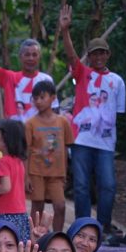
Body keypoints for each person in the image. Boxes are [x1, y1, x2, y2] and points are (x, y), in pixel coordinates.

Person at [59, 5, 126, 233]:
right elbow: (70, 54)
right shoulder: (82, 74)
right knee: (80, 187)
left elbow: (116, 114)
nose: (98, 56)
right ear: (89, 56)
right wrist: (65, 30)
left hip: (106, 143)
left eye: (102, 52)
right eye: (94, 53)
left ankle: (104, 226)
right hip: (81, 141)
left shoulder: (117, 81)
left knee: (107, 186)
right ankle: (82, 227)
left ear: (108, 54)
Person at [25, 80, 74, 232]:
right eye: (35, 98)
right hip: (36, 172)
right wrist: (26, 176)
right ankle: (34, 239)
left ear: (53, 98)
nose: (38, 101)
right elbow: (26, 151)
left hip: (56, 174)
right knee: (37, 206)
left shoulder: (63, 122)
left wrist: (65, 173)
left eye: (42, 97)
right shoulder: (30, 123)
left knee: (60, 206)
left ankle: (57, 237)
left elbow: (65, 149)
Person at [0, 27, 58, 121]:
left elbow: (54, 109)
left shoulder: (46, 80)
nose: (31, 58)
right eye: (27, 55)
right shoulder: (10, 77)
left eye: (34, 55)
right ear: (20, 57)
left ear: (39, 57)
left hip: (40, 131)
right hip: (15, 131)